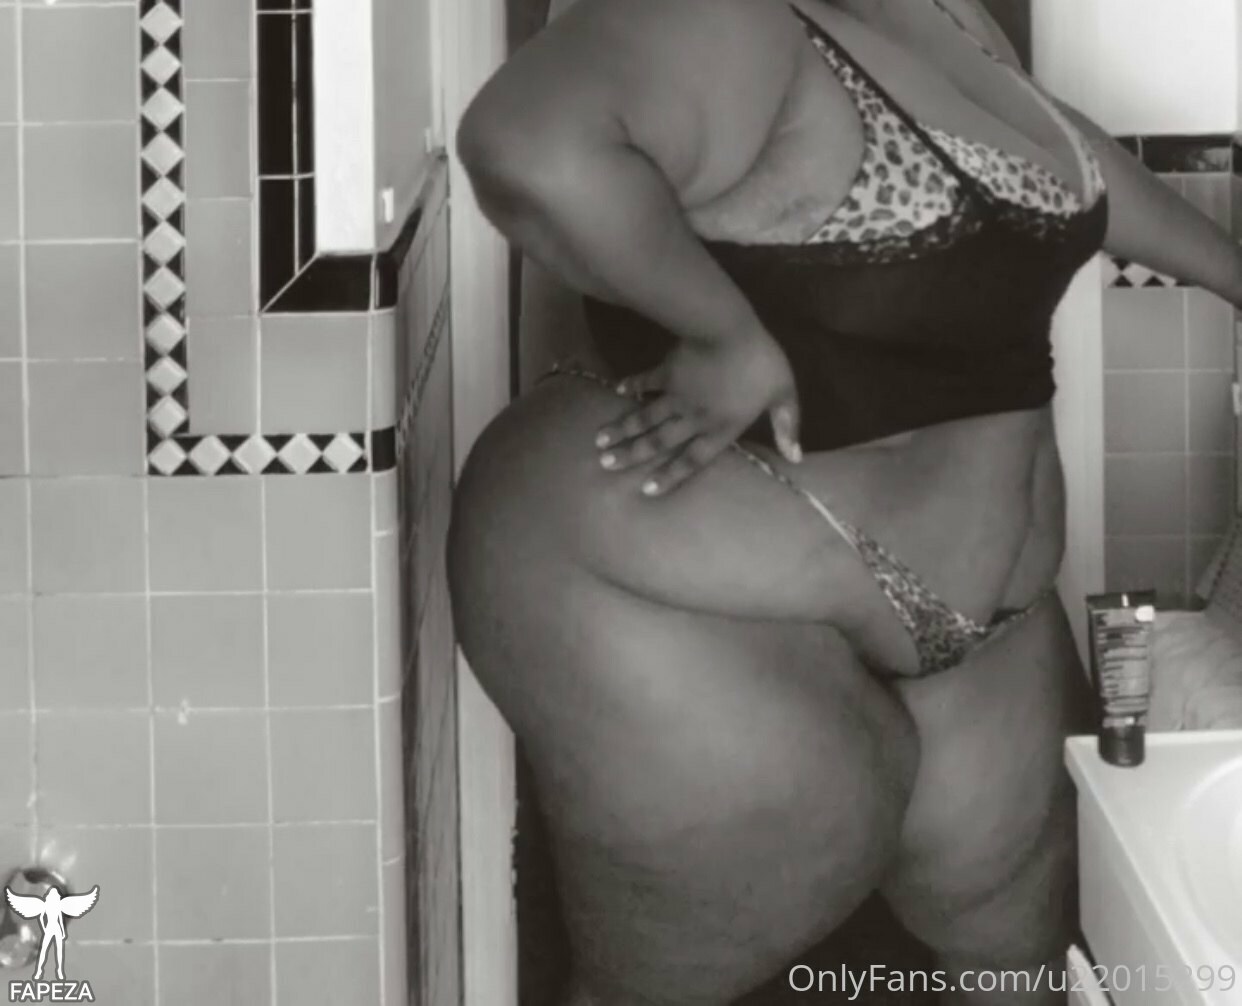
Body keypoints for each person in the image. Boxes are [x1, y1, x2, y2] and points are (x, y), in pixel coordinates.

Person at [447, 1, 1242, 1003]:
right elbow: (527, 142)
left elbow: (1056, 161)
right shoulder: (733, 21)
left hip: (985, 622)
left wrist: (1234, 274)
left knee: (1039, 968)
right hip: (679, 588)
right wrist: (719, 331)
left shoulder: (945, 11)